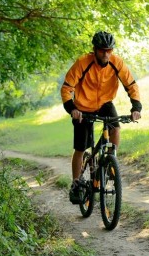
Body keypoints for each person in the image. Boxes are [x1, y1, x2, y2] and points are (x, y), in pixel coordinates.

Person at [60, 31, 142, 204]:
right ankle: (76, 182)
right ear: (95, 50)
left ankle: (111, 161)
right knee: (81, 148)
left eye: (109, 50)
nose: (106, 54)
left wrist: (136, 107)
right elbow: (67, 88)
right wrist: (72, 109)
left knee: (116, 128)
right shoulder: (83, 62)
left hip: (105, 104)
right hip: (82, 107)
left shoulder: (117, 63)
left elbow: (131, 85)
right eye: (102, 50)